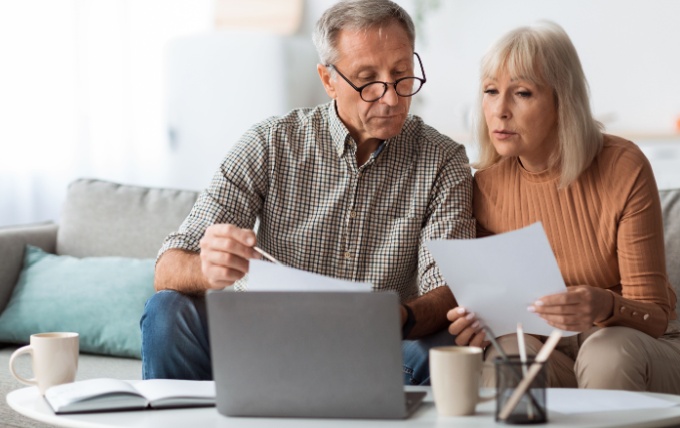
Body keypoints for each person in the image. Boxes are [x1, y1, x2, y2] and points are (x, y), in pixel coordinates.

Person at [141, 0, 473, 385]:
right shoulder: (270, 142)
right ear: (328, 79)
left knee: (448, 340)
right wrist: (207, 268)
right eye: (368, 80)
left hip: (374, 350)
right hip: (262, 341)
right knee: (167, 311)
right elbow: (167, 268)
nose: (392, 99)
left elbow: (447, 288)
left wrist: (398, 316)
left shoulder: (442, 159)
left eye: (401, 75)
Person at [447, 21, 680, 397]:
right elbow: (504, 311)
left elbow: (654, 316)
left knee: (606, 352)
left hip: (650, 349)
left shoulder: (622, 166)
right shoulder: (485, 186)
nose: (500, 110)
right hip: (554, 355)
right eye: (491, 91)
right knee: (509, 357)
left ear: (562, 100)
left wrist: (604, 304)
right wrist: (478, 327)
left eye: (521, 93)